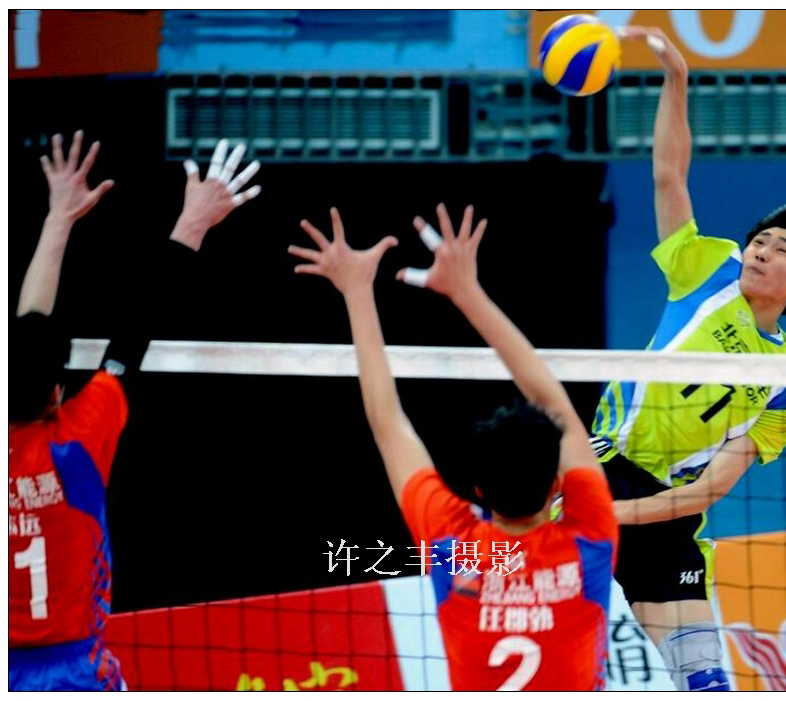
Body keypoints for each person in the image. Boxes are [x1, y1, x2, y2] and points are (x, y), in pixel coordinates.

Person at [589, 28, 786, 691]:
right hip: (602, 465)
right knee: (551, 641)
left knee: (705, 680)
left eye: (780, 248)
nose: (761, 249)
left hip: (671, 512)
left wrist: (622, 517)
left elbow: (711, 489)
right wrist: (677, 81)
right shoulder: (708, 270)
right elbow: (669, 174)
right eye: (760, 239)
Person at [289, 203, 618, 691]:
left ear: (477, 490)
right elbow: (554, 404)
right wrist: (468, 293)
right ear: (556, 486)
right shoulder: (589, 539)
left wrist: (357, 292)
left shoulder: (452, 546)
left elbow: (387, 423)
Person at [9, 133, 261, 691]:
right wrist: (192, 223)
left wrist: (57, 219)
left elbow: (30, 330)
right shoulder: (78, 440)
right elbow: (134, 330)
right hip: (75, 669)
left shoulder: (70, 430)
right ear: (56, 394)